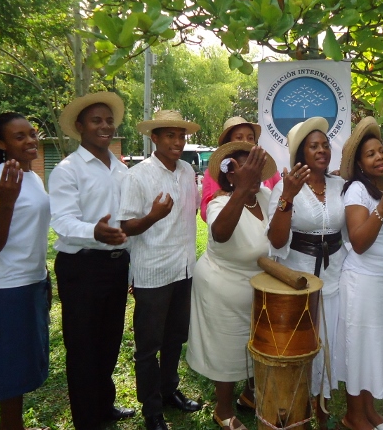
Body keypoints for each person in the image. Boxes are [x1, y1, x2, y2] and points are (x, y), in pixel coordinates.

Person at [49, 92, 135, 429]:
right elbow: (63, 221)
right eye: (96, 120)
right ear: (81, 127)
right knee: (83, 346)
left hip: (116, 265)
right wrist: (95, 232)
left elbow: (128, 219)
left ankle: (104, 404)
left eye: (109, 120)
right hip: (81, 267)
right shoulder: (67, 170)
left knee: (109, 340)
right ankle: (86, 419)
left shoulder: (121, 169)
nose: (105, 126)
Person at [117, 110, 202, 430]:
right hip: (153, 272)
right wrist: (153, 216)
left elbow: (190, 214)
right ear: (154, 138)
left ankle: (169, 391)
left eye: (181, 136)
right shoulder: (138, 176)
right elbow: (126, 226)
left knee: (175, 337)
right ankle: (151, 409)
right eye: (170, 135)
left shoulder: (187, 171)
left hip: (183, 269)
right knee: (148, 345)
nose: (177, 142)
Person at [187, 141, 277, 430]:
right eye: (246, 169)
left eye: (256, 167)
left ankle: (251, 396)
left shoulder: (265, 195)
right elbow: (221, 233)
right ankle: (223, 409)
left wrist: (285, 196)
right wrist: (241, 191)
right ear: (230, 174)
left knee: (255, 347)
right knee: (226, 349)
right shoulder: (219, 202)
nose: (255, 175)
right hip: (221, 286)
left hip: (256, 286)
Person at [267, 117, 347, 429]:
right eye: (313, 146)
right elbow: (275, 240)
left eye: (325, 145)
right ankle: (297, 414)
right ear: (301, 153)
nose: (322, 150)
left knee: (328, 347)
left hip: (335, 279)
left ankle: (322, 412)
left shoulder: (341, 185)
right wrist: (287, 194)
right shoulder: (287, 187)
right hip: (298, 281)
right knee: (301, 350)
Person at [0, 113, 51, 430]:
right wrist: (6, 202)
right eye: (19, 137)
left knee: (25, 360)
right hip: (6, 286)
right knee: (10, 364)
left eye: (32, 134)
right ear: (1, 144)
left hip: (33, 279)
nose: (30, 141)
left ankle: (15, 424)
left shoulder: (32, 177)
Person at [336, 117, 383, 430]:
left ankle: (371, 412)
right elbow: (359, 242)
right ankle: (352, 417)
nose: (380, 157)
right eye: (371, 154)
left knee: (374, 345)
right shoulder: (356, 192)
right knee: (359, 348)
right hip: (363, 282)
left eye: (382, 150)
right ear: (360, 164)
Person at [200, 116, 281, 222]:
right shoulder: (213, 173)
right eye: (239, 137)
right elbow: (205, 214)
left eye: (250, 138)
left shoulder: (266, 169)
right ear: (227, 142)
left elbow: (280, 198)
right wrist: (215, 199)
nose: (245, 141)